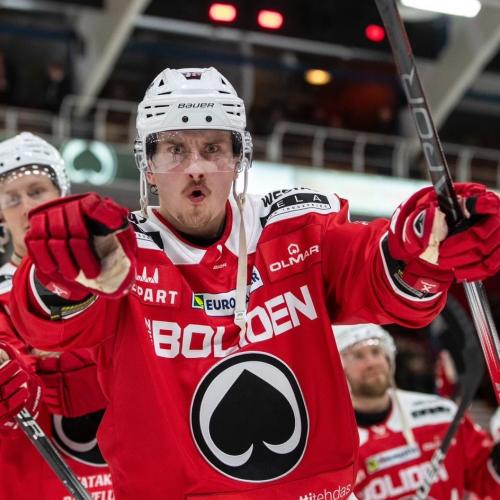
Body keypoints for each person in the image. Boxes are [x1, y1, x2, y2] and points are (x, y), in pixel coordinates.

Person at [8, 67, 500, 499]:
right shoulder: (119, 253)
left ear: (239, 159)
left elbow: (373, 269)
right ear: (148, 167)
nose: (195, 166)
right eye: (175, 149)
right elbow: (49, 327)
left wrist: (422, 241)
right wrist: (62, 274)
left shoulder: (297, 229)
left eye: (213, 148)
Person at [0, 132, 114, 499]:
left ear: (61, 194)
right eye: (12, 199)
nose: (26, 208)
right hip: (32, 485)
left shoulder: (110, 281)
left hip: (124, 482)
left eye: (37, 191)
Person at [334, 323, 500, 499]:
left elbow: (484, 480)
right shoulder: (335, 446)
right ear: (338, 369)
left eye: (376, 352)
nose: (372, 363)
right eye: (358, 356)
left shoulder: (442, 414)